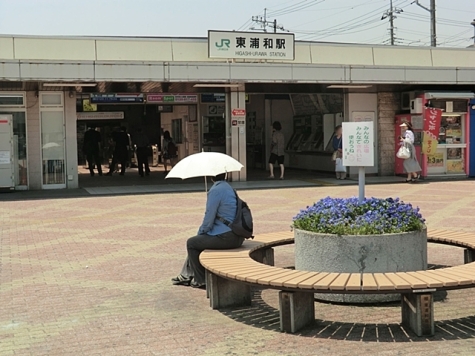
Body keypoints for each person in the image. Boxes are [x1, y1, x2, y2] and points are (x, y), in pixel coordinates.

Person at [171, 173, 244, 289]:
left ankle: (201, 280)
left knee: (192, 243)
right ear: (225, 175)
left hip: (227, 237)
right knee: (198, 241)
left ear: (211, 177)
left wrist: (201, 231)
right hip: (237, 235)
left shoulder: (215, 190)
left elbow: (209, 218)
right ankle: (186, 275)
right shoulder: (229, 188)